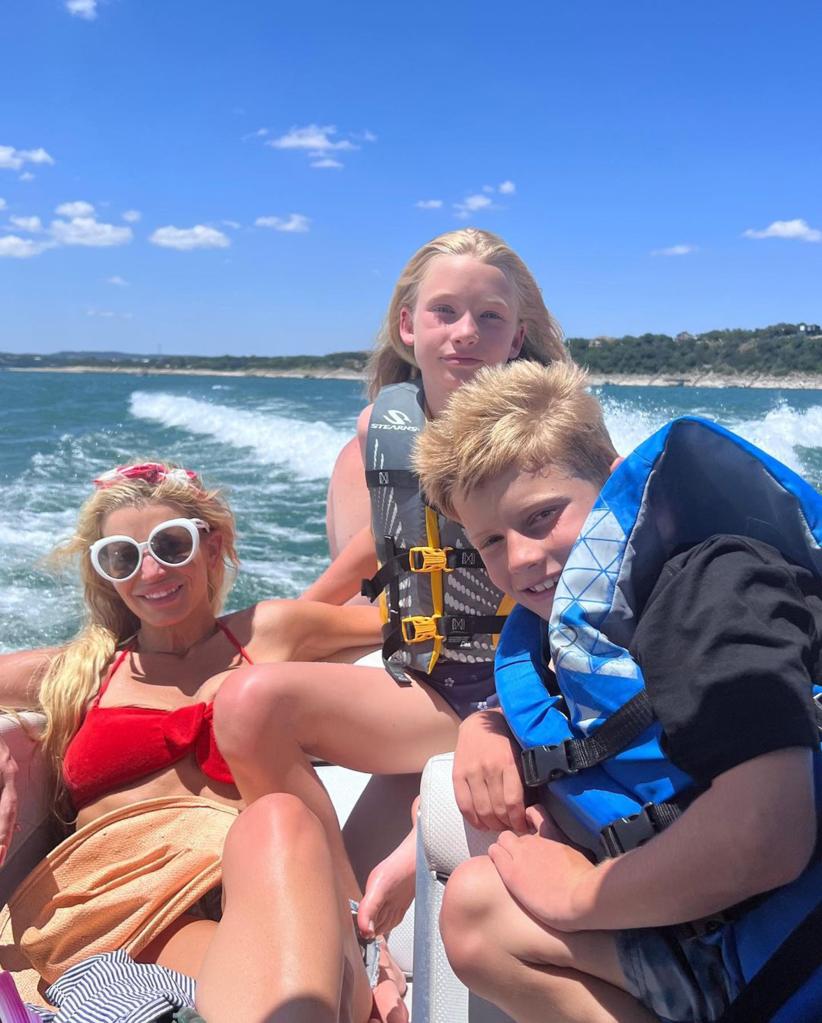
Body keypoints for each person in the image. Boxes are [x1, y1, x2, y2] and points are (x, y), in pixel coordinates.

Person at [413, 360, 821, 1023]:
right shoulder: (557, 638)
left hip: (793, 942)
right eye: (490, 539)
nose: (519, 558)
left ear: (611, 477)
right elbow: (594, 740)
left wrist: (581, 894)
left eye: (542, 515)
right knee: (474, 907)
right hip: (703, 933)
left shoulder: (716, 590)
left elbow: (769, 832)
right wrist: (482, 727)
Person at [215, 228, 569, 940]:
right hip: (427, 684)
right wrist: (270, 633)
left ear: (517, 336)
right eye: (445, 311)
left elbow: (600, 597)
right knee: (248, 701)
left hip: (523, 693)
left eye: (489, 316)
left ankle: (352, 938)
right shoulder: (389, 429)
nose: (466, 332)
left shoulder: (555, 437)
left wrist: (502, 721)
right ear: (409, 326)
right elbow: (385, 547)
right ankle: (351, 949)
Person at [0, 461, 402, 1023]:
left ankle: (351, 957)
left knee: (281, 818)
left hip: (254, 883)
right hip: (115, 906)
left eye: (170, 544)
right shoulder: (79, 671)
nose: (150, 570)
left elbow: (412, 621)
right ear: (107, 574)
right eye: (122, 556)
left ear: (211, 550)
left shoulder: (270, 633)